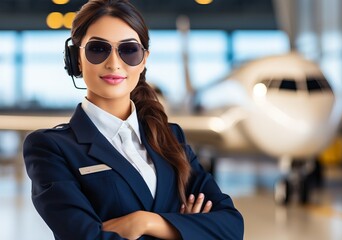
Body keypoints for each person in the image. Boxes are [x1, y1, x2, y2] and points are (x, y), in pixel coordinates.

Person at [23, 0, 244, 239]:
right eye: (98, 49)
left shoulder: (170, 137)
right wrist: (185, 228)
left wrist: (145, 223)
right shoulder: (50, 148)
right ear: (77, 58)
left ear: (144, 60)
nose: (114, 63)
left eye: (129, 50)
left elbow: (231, 227)